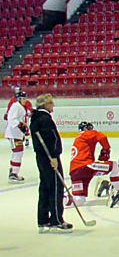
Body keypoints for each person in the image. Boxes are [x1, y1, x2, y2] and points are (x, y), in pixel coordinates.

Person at [30, 94, 72, 233]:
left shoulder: (36, 118)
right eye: (51, 103)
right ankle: (56, 220)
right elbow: (51, 138)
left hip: (41, 158)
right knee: (55, 187)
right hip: (49, 158)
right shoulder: (45, 119)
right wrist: (54, 156)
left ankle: (42, 219)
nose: (53, 105)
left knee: (45, 187)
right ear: (45, 104)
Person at [64, 121, 119, 207]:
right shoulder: (87, 133)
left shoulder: (79, 138)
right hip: (86, 167)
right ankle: (117, 192)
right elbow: (103, 137)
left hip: (75, 172)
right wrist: (105, 151)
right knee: (114, 166)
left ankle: (61, 200)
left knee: (79, 199)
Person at [5, 90, 29, 183]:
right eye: (24, 98)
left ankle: (13, 171)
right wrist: (20, 126)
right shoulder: (16, 106)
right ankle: (13, 173)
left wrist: (23, 132)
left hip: (16, 134)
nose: (25, 100)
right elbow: (11, 119)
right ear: (19, 98)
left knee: (18, 152)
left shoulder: (20, 107)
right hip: (13, 133)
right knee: (18, 152)